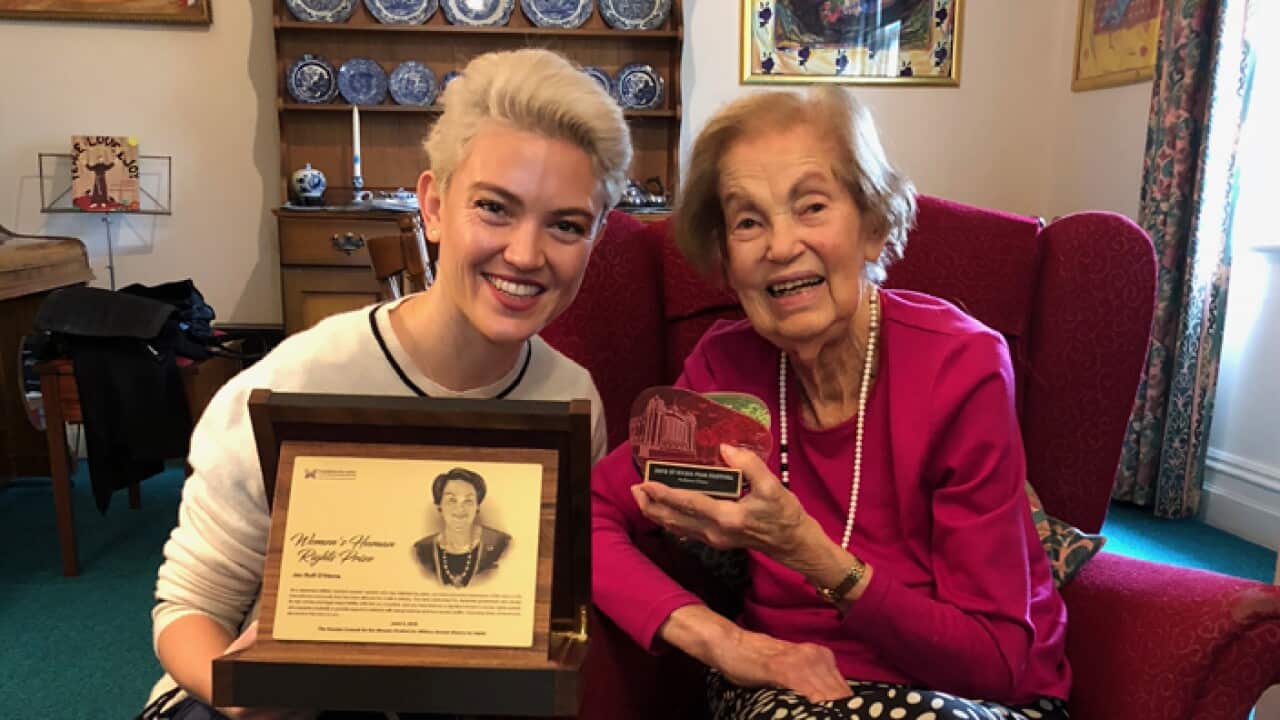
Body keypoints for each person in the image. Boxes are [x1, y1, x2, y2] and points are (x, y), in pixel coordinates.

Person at [144, 48, 630, 719]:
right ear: (432, 206)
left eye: (567, 225)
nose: (525, 253)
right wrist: (243, 694)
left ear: (597, 235)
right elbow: (188, 608)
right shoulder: (300, 380)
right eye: (494, 208)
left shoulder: (572, 400)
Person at [591, 87, 1072, 720]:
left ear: (873, 227)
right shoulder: (723, 370)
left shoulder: (960, 369)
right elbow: (587, 512)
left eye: (811, 206)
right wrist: (725, 643)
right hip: (786, 689)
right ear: (728, 264)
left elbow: (997, 662)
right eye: (748, 221)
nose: (781, 246)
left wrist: (804, 551)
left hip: (966, 698)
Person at [414, 467, 510, 588]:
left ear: (477, 507)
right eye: (452, 500)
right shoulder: (420, 551)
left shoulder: (502, 545)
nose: (460, 509)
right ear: (439, 506)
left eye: (468, 501)